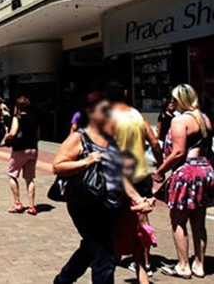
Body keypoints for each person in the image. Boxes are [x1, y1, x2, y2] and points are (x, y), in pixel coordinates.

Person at [52, 92, 152, 284]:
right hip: (85, 204)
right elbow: (58, 166)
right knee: (104, 256)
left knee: (91, 249)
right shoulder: (78, 138)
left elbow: (120, 176)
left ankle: (63, 280)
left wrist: (139, 199)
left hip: (109, 204)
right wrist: (86, 162)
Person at [153, 84, 213, 280]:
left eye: (173, 99)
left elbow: (178, 152)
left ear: (180, 100)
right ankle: (200, 265)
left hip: (186, 172)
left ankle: (183, 265)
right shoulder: (204, 119)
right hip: (205, 170)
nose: (171, 103)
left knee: (178, 220)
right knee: (199, 221)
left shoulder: (180, 121)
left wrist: (160, 170)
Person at [108, 83, 163, 278]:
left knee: (114, 215)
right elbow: (155, 143)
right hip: (141, 171)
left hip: (117, 174)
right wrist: (160, 165)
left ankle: (114, 255)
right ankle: (145, 262)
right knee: (142, 217)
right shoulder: (137, 115)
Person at [114, 151, 157, 284]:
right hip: (128, 228)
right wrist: (142, 205)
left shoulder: (119, 186)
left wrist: (143, 204)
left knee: (108, 261)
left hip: (124, 228)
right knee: (140, 262)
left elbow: (120, 210)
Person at [3, 97, 40, 215]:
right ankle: (32, 206)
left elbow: (13, 133)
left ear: (17, 107)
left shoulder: (17, 117)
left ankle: (18, 203)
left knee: (12, 175)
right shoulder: (35, 118)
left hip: (20, 149)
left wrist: (6, 137)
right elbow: (38, 136)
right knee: (30, 178)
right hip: (33, 149)